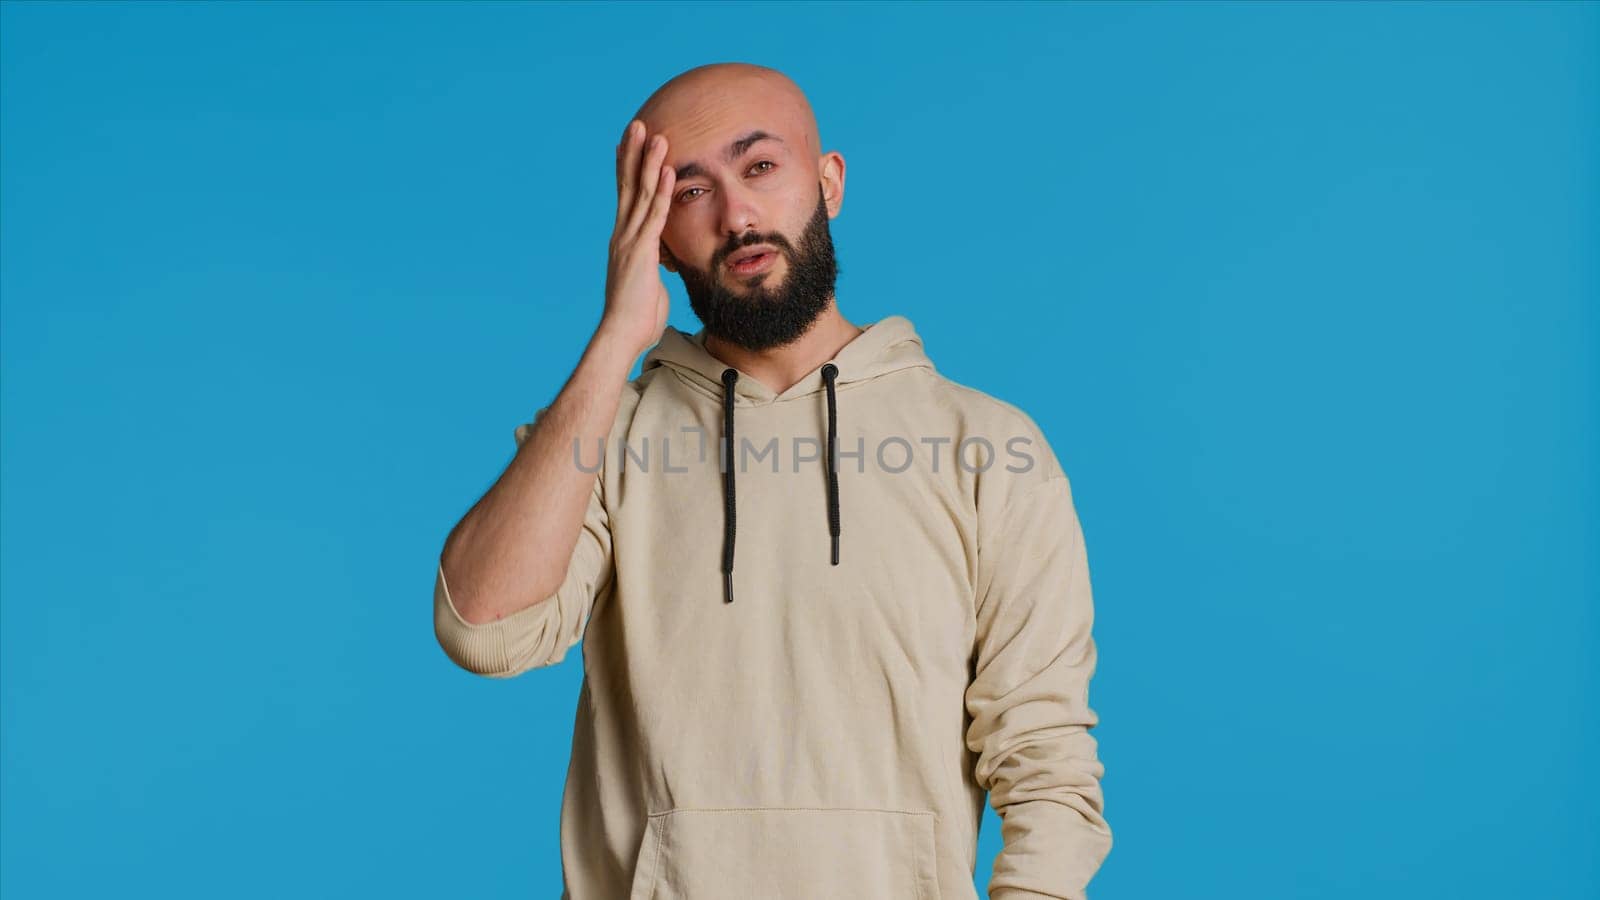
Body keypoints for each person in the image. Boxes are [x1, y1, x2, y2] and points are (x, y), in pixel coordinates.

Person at [433, 61, 1112, 899]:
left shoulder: (989, 447)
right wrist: (615, 341)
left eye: (760, 167)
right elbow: (485, 630)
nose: (737, 214)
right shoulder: (606, 435)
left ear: (828, 183)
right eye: (689, 192)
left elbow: (1047, 769)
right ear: (655, 238)